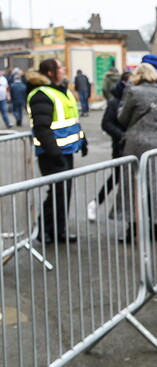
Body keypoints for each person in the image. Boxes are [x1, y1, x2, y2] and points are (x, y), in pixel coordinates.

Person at [25, 58, 88, 244]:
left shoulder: (64, 91)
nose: (63, 69)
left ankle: (59, 231)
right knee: (57, 192)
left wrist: (83, 140)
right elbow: (42, 128)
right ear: (50, 72)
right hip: (51, 153)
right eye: (60, 67)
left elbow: (72, 120)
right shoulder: (41, 94)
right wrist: (54, 153)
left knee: (63, 193)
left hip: (66, 151)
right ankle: (43, 230)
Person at [116, 63, 157, 240]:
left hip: (135, 143)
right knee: (156, 186)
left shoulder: (133, 92)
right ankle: (156, 226)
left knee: (131, 185)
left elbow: (122, 118)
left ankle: (131, 228)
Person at [87, 71, 131, 222]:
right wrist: (122, 136)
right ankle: (95, 203)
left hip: (133, 145)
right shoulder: (115, 102)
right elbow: (106, 124)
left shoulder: (133, 98)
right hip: (120, 147)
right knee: (117, 178)